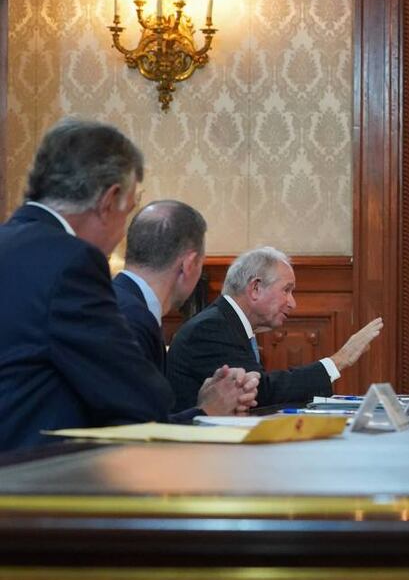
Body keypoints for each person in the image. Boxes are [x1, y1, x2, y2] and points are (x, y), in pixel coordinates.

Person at [0, 118, 256, 451]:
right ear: (110, 200)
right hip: (35, 480)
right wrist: (204, 408)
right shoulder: (71, 262)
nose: (124, 234)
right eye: (129, 210)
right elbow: (143, 398)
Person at [167, 246, 384, 410]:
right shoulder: (210, 328)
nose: (293, 303)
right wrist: (339, 360)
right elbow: (262, 393)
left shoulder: (230, 323)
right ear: (256, 288)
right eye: (287, 290)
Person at [116, 200, 258, 419]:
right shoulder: (130, 319)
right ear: (189, 264)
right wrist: (207, 411)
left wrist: (205, 402)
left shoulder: (122, 302)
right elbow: (134, 435)